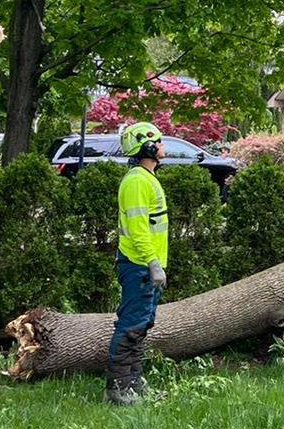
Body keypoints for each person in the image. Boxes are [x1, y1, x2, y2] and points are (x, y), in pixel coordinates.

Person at [107, 121, 169, 405]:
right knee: (131, 324)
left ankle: (133, 382)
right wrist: (152, 263)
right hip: (139, 265)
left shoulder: (146, 178)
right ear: (148, 146)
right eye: (159, 140)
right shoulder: (136, 182)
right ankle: (118, 389)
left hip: (148, 265)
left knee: (142, 324)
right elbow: (138, 228)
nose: (163, 145)